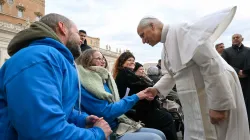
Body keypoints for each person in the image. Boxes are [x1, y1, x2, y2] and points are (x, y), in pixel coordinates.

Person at [137, 6, 250, 140]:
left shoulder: (183, 30)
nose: (143, 41)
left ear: (152, 25)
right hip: (195, 102)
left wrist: (219, 105)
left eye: (143, 35)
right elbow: (172, 74)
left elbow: (211, 64)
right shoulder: (166, 45)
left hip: (213, 95)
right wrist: (156, 89)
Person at [0, 13, 112, 139]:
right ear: (62, 27)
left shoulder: (54, 58)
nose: (81, 40)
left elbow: (56, 107)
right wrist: (97, 134)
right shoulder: (41, 58)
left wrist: (81, 119)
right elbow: (44, 131)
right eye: (77, 33)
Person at [75, 49, 166, 140]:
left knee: (160, 134)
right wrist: (137, 96)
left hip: (116, 122)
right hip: (104, 129)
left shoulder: (104, 79)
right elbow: (106, 112)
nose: (103, 61)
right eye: (98, 58)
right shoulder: (86, 84)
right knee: (156, 137)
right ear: (87, 60)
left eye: (103, 58)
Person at [113, 52, 178, 140]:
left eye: (133, 60)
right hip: (135, 110)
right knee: (167, 118)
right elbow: (142, 87)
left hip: (137, 108)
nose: (132, 62)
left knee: (165, 116)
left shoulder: (126, 74)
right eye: (129, 60)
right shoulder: (125, 73)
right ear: (122, 62)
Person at [221, 34, 250, 127]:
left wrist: (246, 72)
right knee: (235, 103)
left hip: (247, 81)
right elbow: (223, 65)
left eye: (237, 37)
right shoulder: (226, 51)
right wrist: (238, 71)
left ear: (242, 39)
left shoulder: (248, 50)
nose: (235, 39)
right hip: (233, 80)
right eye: (233, 37)